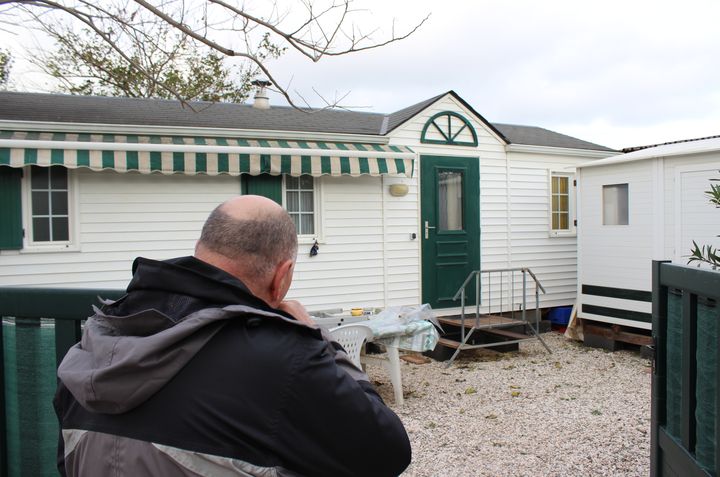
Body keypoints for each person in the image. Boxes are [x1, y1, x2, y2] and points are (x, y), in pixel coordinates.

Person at [54, 195, 411, 477]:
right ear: (282, 276)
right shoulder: (283, 356)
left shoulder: (98, 339)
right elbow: (387, 453)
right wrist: (317, 338)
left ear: (200, 249)